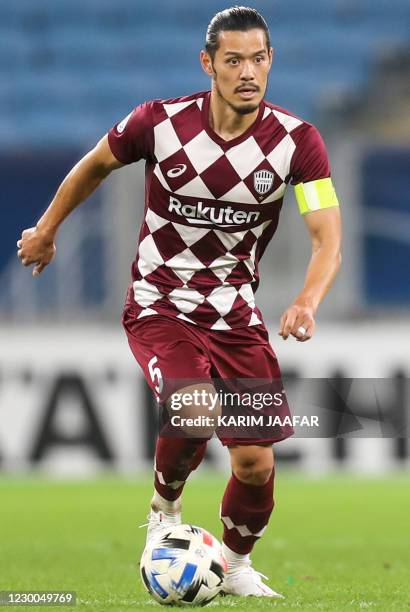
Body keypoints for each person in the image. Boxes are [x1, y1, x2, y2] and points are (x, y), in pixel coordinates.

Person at [17, 6, 341, 599]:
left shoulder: (298, 142)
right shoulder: (159, 123)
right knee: (192, 410)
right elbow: (94, 166)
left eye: (259, 58)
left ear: (272, 61)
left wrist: (308, 299)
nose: (249, 72)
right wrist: (47, 228)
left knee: (254, 464)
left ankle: (236, 564)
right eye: (234, 59)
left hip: (235, 316)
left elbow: (327, 237)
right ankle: (164, 512)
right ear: (208, 63)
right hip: (158, 304)